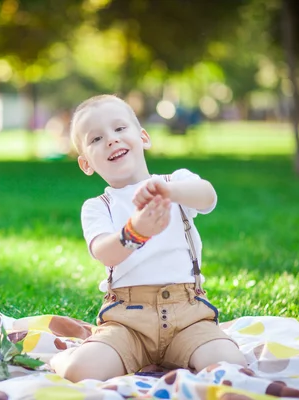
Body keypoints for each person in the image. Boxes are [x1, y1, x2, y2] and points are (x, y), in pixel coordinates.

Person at [50, 94, 247, 382]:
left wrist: (171, 192)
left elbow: (208, 197)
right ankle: (68, 356)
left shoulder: (175, 182)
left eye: (119, 129)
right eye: (96, 139)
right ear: (86, 164)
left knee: (230, 365)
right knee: (81, 372)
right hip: (127, 321)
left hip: (188, 317)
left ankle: (185, 353)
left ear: (143, 137)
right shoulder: (97, 206)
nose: (111, 140)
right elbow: (105, 252)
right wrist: (135, 232)